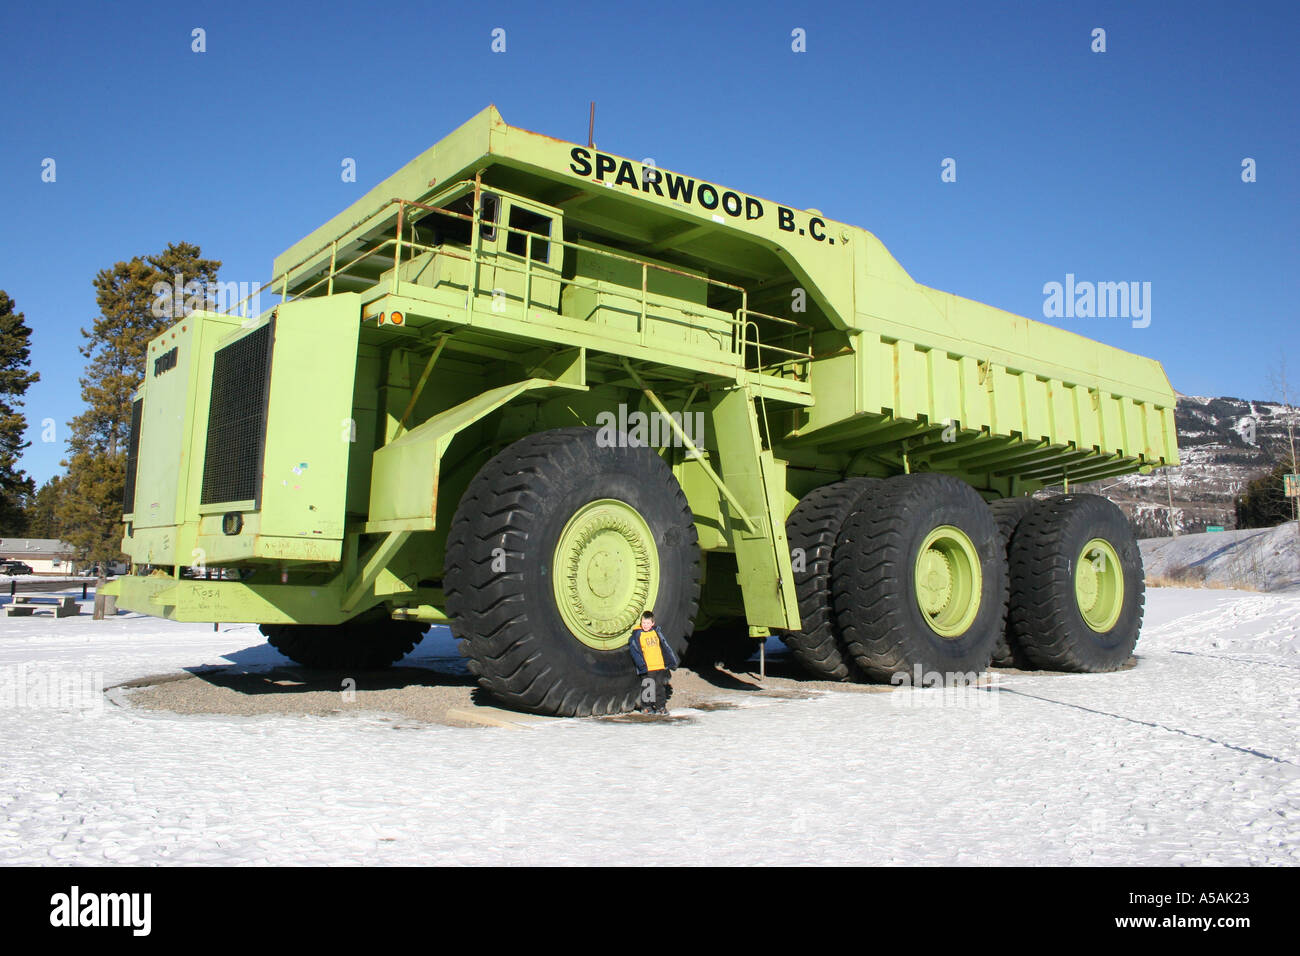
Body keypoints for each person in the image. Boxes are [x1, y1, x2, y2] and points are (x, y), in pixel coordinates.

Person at [627, 610, 678, 715]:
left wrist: (669, 661)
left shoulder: (656, 632)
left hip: (659, 665)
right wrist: (641, 664)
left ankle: (661, 707)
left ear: (653, 623)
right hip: (647, 667)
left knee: (659, 687)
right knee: (648, 687)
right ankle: (647, 707)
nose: (645, 625)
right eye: (643, 623)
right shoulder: (638, 635)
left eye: (648, 623)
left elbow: (665, 646)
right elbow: (635, 651)